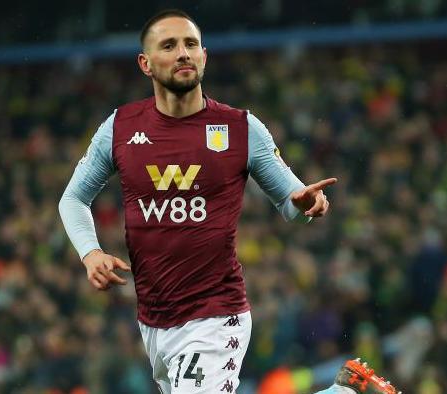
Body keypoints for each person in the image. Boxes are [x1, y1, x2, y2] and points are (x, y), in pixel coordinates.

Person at [59, 9, 399, 394]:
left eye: (190, 44)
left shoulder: (240, 127)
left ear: (204, 56)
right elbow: (73, 199)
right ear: (146, 63)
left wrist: (308, 203)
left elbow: (291, 199)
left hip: (216, 313)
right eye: (169, 46)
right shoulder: (121, 127)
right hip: (154, 320)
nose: (183, 53)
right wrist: (90, 252)